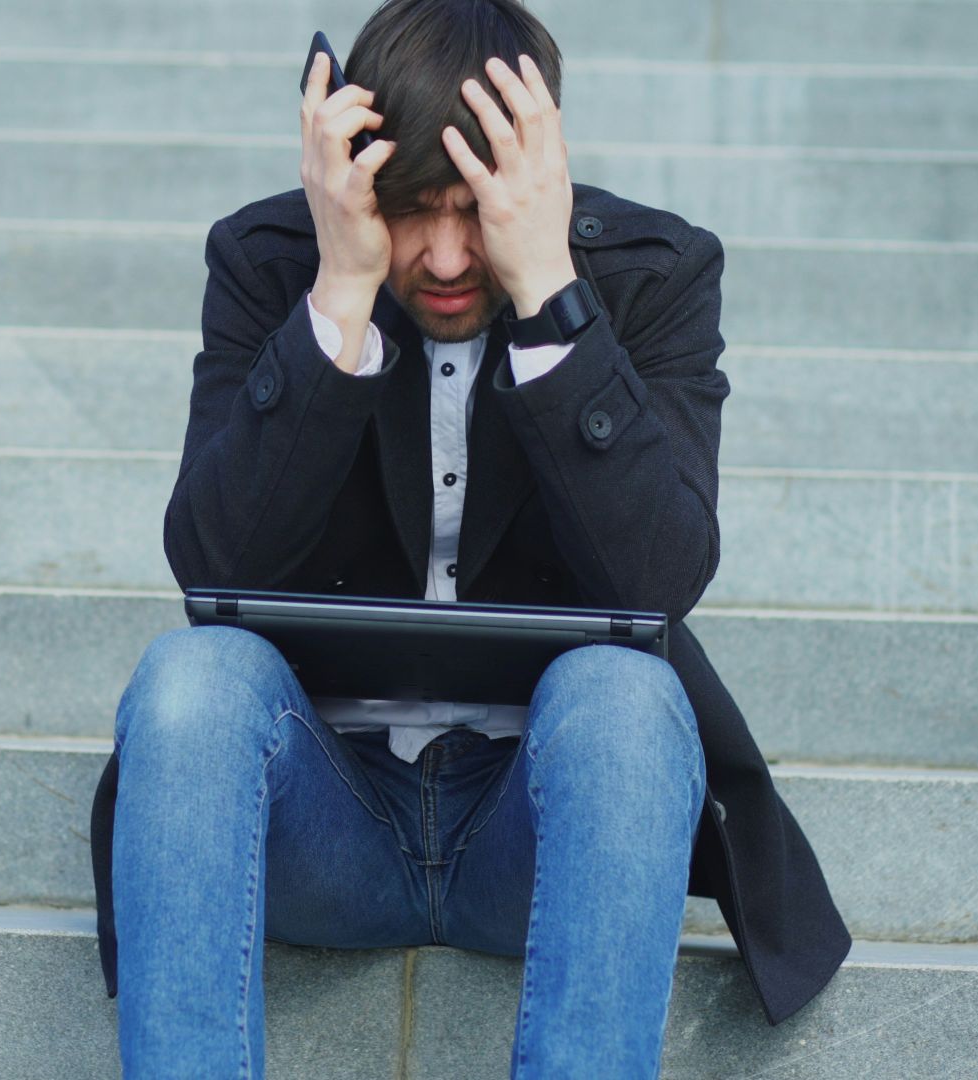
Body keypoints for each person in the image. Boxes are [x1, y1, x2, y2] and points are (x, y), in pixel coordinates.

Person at [88, 1, 851, 1075]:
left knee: (629, 695)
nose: (445, 257)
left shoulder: (650, 277)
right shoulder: (274, 264)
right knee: (189, 679)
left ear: (534, 176)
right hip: (324, 818)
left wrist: (548, 295)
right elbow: (214, 565)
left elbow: (662, 576)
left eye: (474, 211)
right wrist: (342, 289)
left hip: (542, 831)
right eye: (409, 214)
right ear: (355, 183)